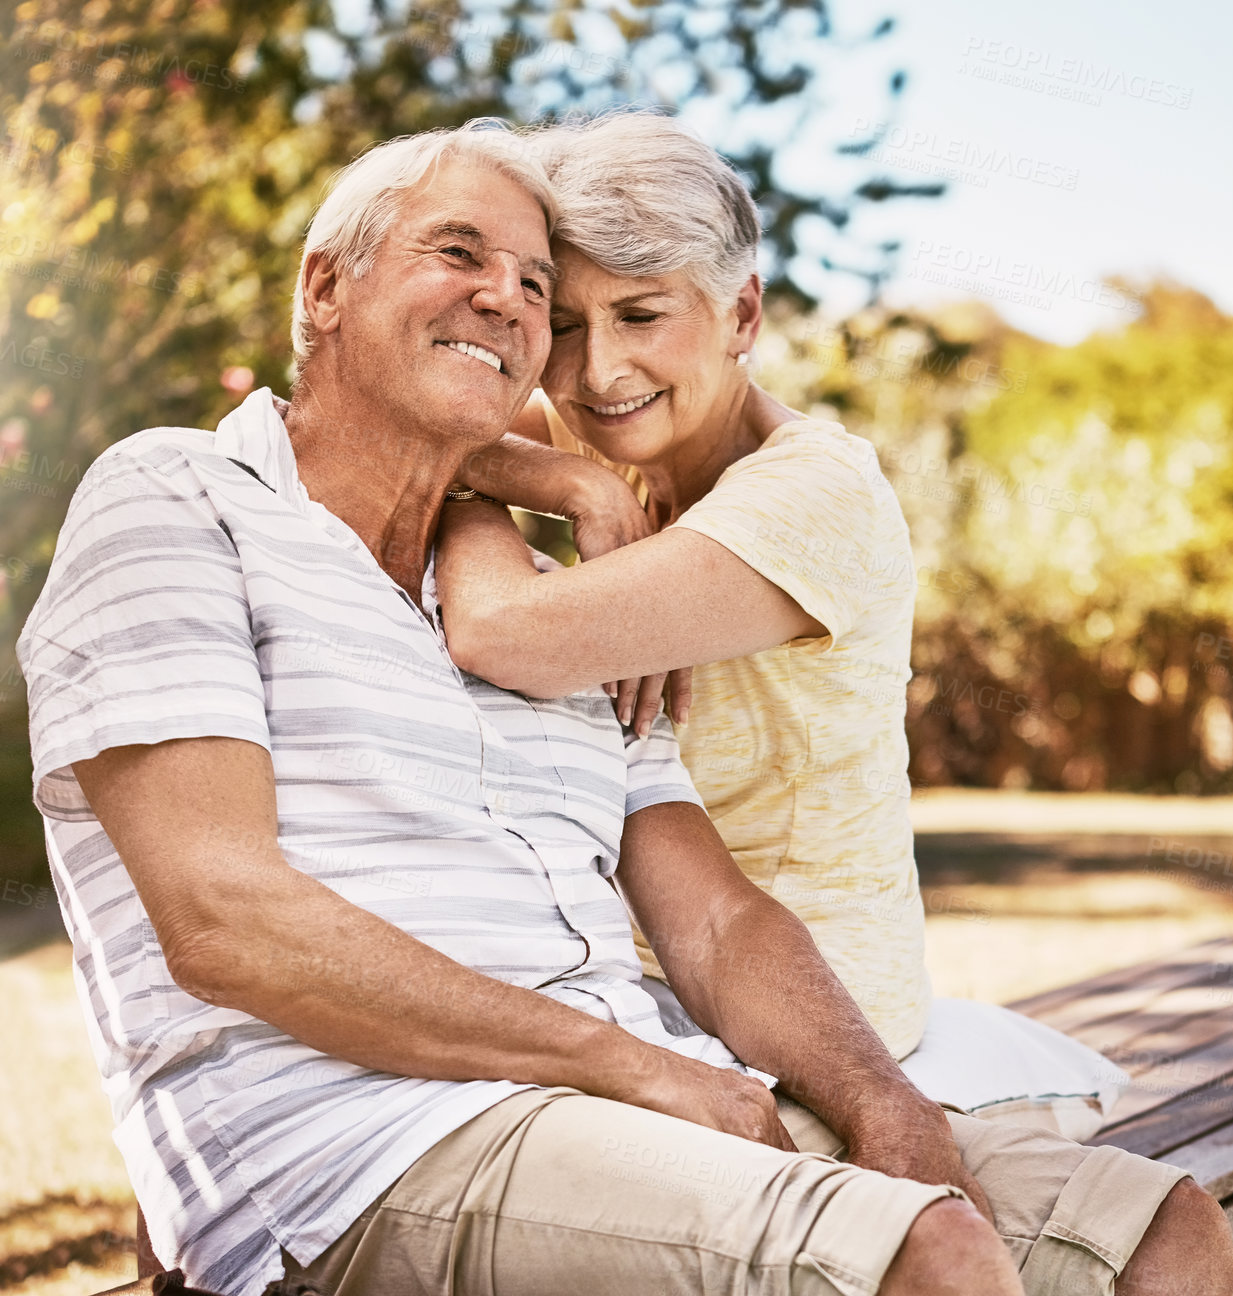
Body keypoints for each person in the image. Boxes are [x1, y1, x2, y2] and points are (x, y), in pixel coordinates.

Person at [19, 123, 1233, 1296]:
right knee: (922, 1261)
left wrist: (883, 1101)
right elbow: (225, 922)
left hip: (620, 1106)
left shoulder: (536, 606)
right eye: (463, 254)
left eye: (534, 280)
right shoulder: (178, 500)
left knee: (1151, 1233)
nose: (514, 303)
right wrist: (623, 1063)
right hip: (359, 1161)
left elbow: (709, 911)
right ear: (325, 287)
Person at [436, 111, 1124, 1137]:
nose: (596, 373)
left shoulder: (817, 494)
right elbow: (379, 425)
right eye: (565, 324)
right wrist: (556, 474)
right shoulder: (609, 440)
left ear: (741, 314)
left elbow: (501, 632)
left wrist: (477, 489)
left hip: (811, 1020)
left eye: (642, 315)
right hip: (633, 988)